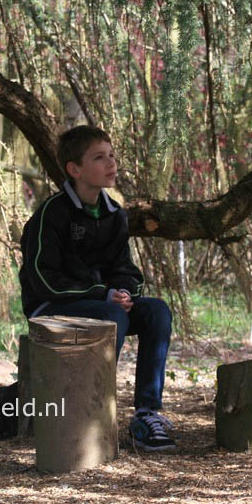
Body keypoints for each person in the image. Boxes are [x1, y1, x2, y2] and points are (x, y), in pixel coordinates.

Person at [18, 124, 176, 452]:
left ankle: (147, 412)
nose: (111, 164)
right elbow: (42, 279)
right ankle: (94, 408)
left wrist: (125, 294)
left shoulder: (114, 214)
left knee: (156, 311)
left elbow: (125, 271)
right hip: (49, 306)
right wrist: (103, 296)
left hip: (104, 302)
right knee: (109, 315)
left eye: (112, 156)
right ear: (75, 169)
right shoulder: (52, 214)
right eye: (99, 158)